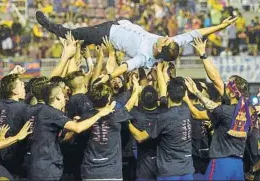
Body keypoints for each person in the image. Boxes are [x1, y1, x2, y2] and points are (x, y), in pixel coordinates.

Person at [36, 11, 237, 84]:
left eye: (165, 40)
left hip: (107, 34)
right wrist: (221, 26)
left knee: (74, 33)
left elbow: (125, 67)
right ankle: (84, 47)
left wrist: (107, 76)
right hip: (119, 24)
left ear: (160, 50)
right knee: (83, 41)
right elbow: (196, 34)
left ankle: (50, 26)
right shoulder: (172, 45)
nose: (166, 36)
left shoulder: (145, 58)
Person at [185, 38, 258, 180]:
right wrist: (204, 55)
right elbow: (216, 79)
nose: (224, 84)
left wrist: (194, 93)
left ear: (232, 92)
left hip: (221, 163)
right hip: (238, 164)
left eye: (228, 84)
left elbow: (198, 113)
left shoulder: (225, 111)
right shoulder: (250, 110)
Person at [28, 82, 115, 181]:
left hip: (45, 165)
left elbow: (62, 138)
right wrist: (100, 114)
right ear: (57, 98)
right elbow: (78, 128)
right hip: (46, 166)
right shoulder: (51, 112)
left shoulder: (47, 111)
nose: (65, 96)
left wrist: (73, 125)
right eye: (62, 94)